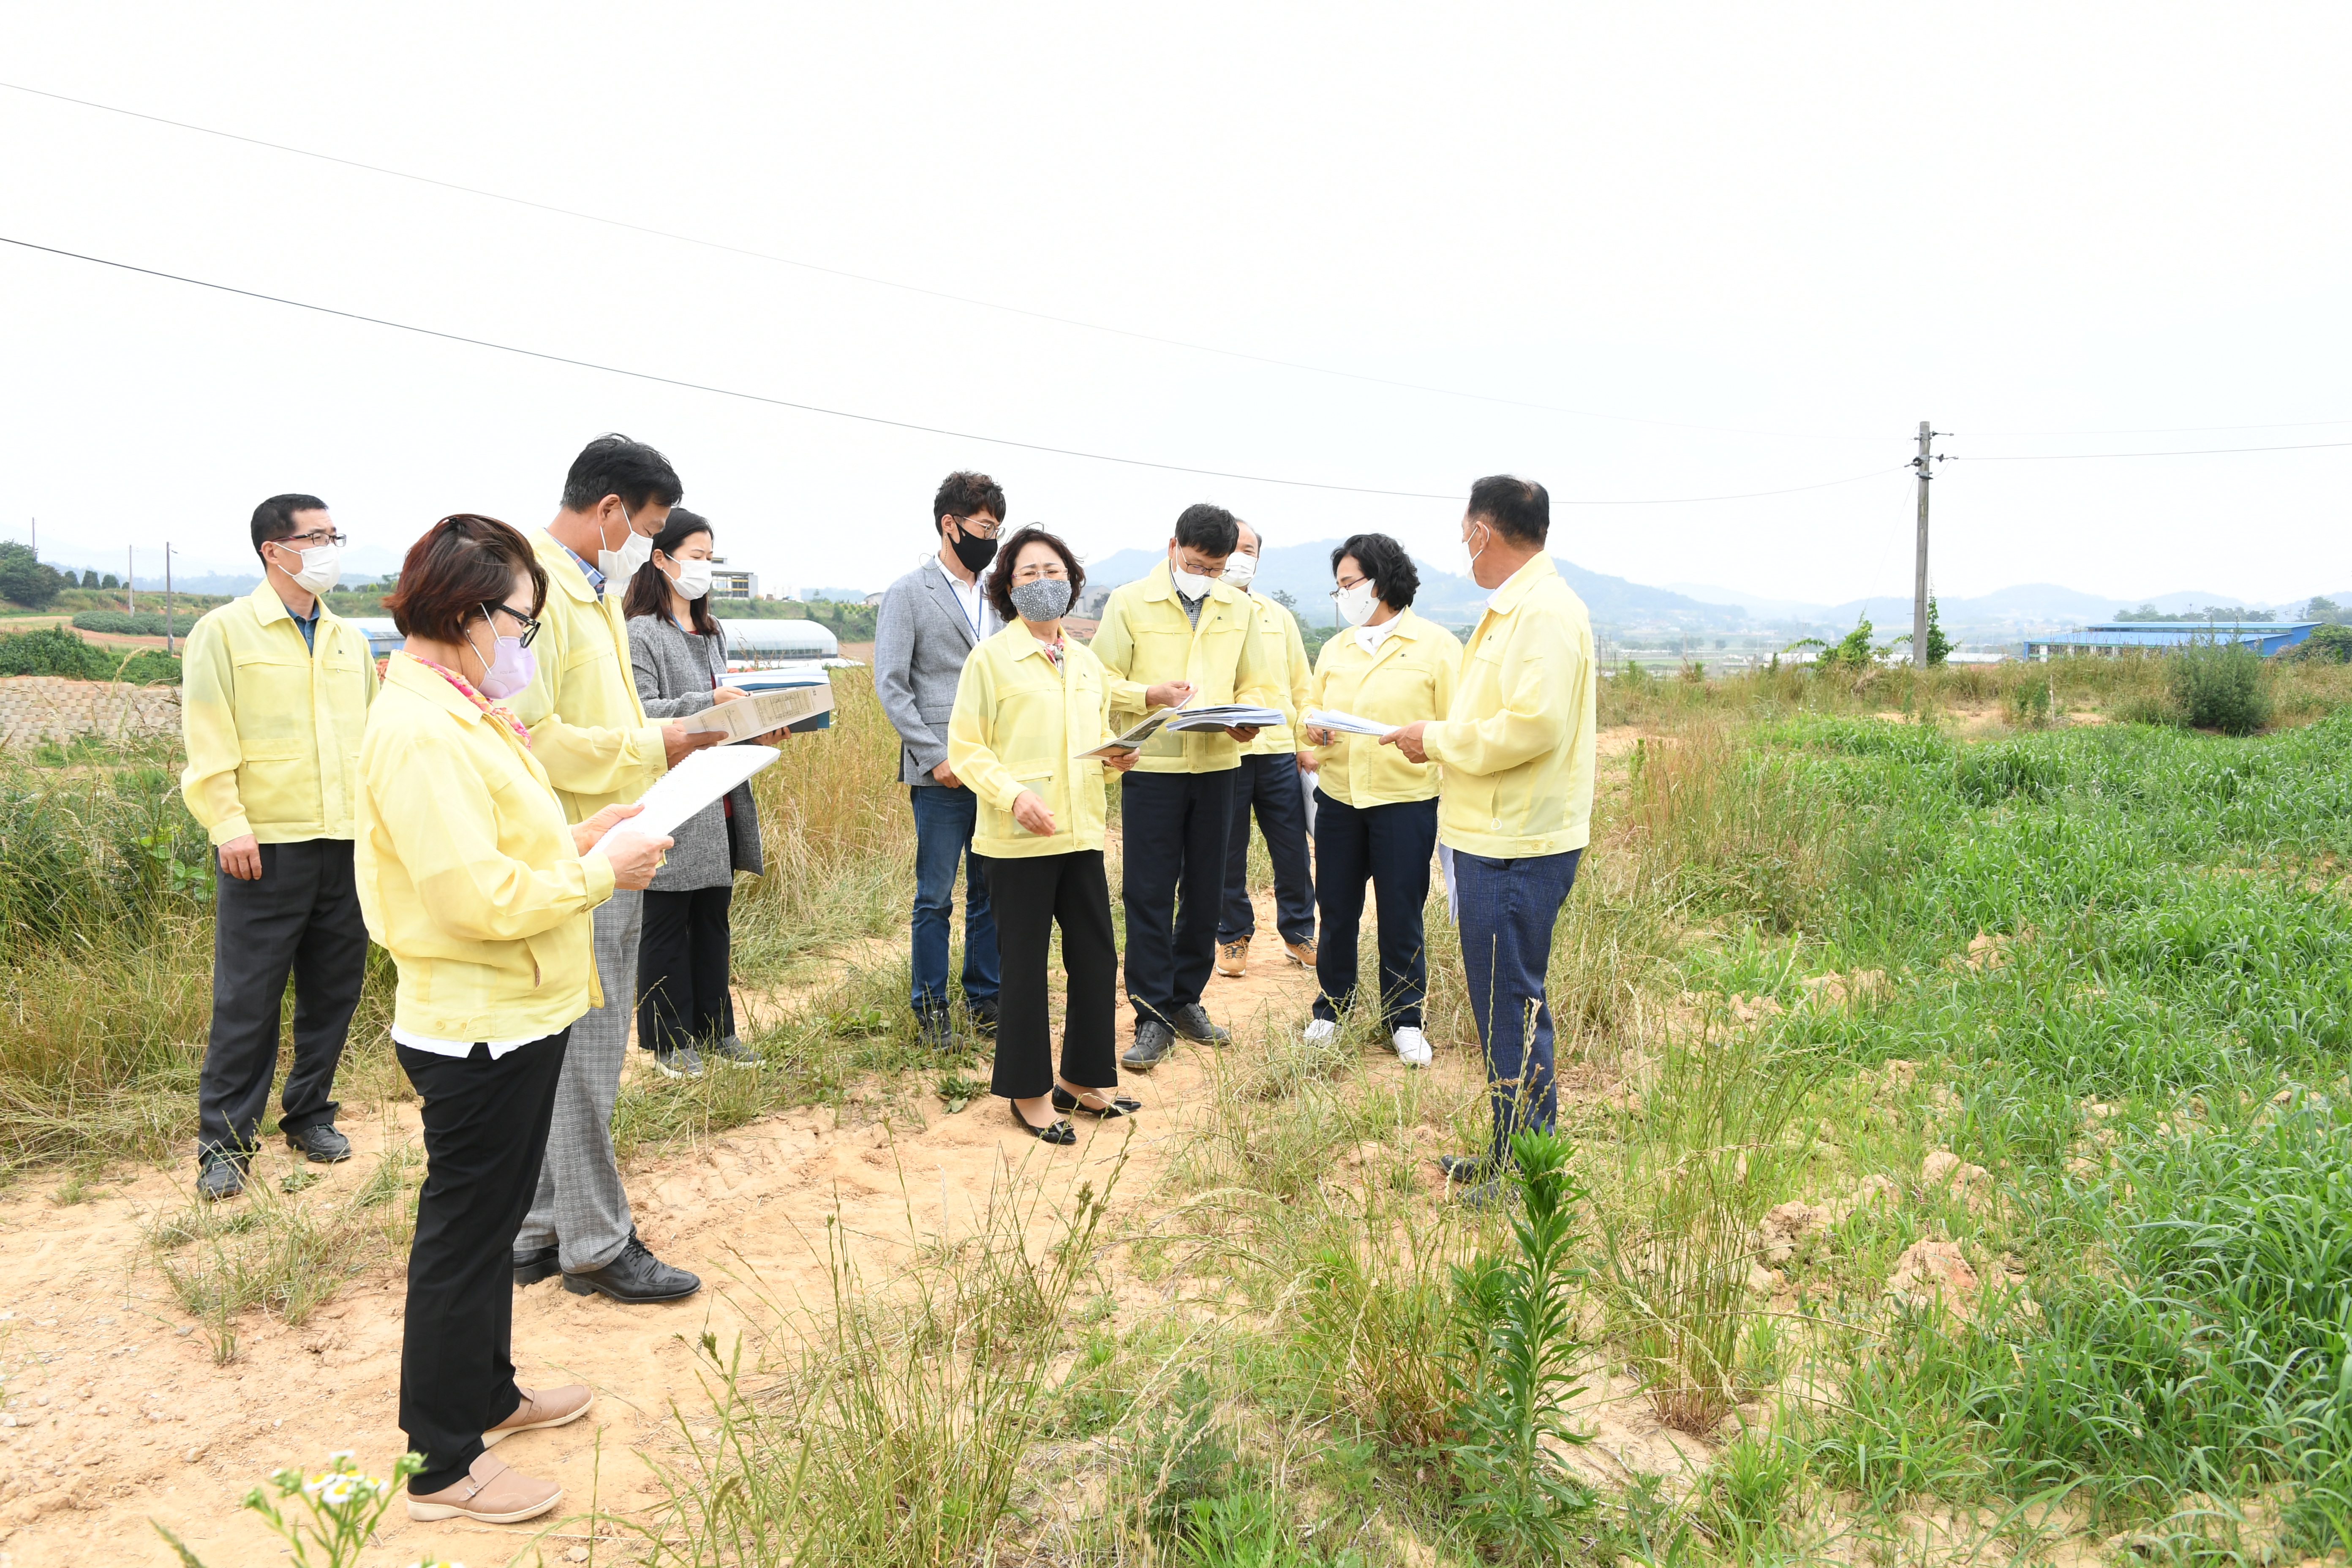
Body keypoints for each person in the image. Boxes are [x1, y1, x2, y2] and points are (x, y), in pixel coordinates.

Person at [357, 513, 672, 1524]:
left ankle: (488, 1394)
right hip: (477, 1022)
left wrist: (582, 835)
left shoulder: (461, 707)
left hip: (519, 1006)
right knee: (461, 1238)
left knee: (490, 1228)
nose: (524, 644)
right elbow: (471, 897)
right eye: (520, 624)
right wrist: (599, 873)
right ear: (466, 613)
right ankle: (443, 1463)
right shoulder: (419, 730)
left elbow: (500, 843)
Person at [507, 435, 725, 1304]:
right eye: (651, 527)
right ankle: (597, 1243)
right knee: (586, 1055)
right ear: (609, 512)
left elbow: (609, 715)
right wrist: (655, 744)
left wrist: (684, 728)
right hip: (575, 843)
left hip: (614, 835)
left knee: (572, 1051)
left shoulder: (590, 587)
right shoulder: (535, 589)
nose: (652, 544)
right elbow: (534, 733)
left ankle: (536, 1228)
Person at [1381, 478, 1597, 1198]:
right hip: (1493, 833)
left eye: (1464, 533)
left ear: (1482, 531)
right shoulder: (1517, 607)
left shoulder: (1543, 612)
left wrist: (1436, 738)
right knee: (1502, 1004)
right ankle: (1511, 1150)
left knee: (1512, 1006)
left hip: (1516, 842)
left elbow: (1534, 726)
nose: (1464, 546)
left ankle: (1525, 1168)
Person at [179, 493, 378, 1200]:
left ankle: (310, 1115)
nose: (329, 549)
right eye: (315, 537)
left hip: (345, 841)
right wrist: (228, 822)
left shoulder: (349, 640)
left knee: (334, 993)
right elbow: (208, 735)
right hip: (264, 846)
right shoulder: (225, 631)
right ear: (274, 549)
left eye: (333, 536)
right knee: (248, 1001)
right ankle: (225, 1144)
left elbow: (373, 737)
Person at [944, 527, 1141, 1141]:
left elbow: (1093, 739)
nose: (1042, 582)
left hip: (1080, 833)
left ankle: (1082, 1080)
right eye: (1028, 573)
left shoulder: (1086, 662)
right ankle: (1028, 1093)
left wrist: (1117, 757)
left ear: (1071, 582)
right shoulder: (990, 659)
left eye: (1053, 571)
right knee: (1025, 967)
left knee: (1095, 957)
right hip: (1019, 840)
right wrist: (1013, 795)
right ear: (1008, 587)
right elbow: (966, 747)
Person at [1090, 504, 1281, 1070]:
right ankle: (1152, 1013)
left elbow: (1258, 683)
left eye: (1216, 569)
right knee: (1148, 891)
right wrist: (1149, 694)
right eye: (1197, 565)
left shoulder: (1237, 608)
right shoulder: (1129, 602)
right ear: (1173, 547)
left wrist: (1246, 718)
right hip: (1153, 768)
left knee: (1206, 890)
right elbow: (1098, 678)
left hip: (1219, 765)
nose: (1206, 576)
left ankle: (1186, 1000)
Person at [1298, 534, 1458, 1066]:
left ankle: (1405, 1019)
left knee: (1400, 912)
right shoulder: (1336, 649)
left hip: (1404, 801)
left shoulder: (1436, 646)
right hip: (1339, 798)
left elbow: (1455, 726)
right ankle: (1332, 1008)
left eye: (1350, 583)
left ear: (1382, 581)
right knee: (1336, 908)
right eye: (1339, 587)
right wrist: (1312, 727)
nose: (1343, 594)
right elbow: (1310, 709)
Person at [624, 508, 769, 1078]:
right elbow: (641, 713)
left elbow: (728, 711)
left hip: (721, 794)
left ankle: (716, 1030)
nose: (704, 567)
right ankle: (667, 1041)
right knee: (666, 922)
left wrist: (760, 722)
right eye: (696, 556)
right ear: (661, 559)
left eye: (711, 558)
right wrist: (709, 703)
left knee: (712, 919)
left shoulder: (712, 632)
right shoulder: (641, 632)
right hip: (674, 796)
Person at [874, 471, 1007, 1050]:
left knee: (989, 890)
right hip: (942, 774)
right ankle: (930, 1008)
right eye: (984, 527)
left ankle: (986, 999)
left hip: (995, 767)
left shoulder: (999, 596)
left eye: (997, 530)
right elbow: (891, 683)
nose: (990, 539)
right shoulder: (910, 592)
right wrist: (933, 757)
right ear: (950, 525)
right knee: (935, 896)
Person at [1213, 519, 1318, 980]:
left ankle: (1299, 933)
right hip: (1225, 752)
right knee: (1228, 850)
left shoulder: (1278, 616)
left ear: (1258, 559)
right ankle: (1232, 935)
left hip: (1277, 752)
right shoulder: (1203, 612)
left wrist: (1304, 745)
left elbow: (1301, 685)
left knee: (1292, 849)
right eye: (1232, 547)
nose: (1240, 556)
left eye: (1249, 550)